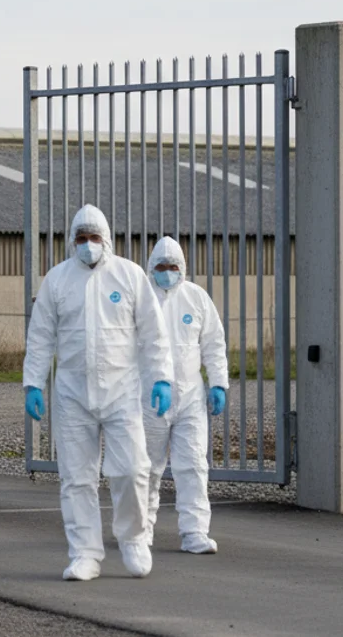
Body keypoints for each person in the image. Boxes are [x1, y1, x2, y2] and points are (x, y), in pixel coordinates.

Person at [23, 204, 175, 581]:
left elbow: (154, 333)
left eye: (94, 238)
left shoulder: (130, 275)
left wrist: (161, 378)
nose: (87, 245)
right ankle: (84, 554)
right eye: (81, 238)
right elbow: (41, 336)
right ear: (72, 240)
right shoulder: (57, 280)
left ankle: (134, 538)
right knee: (76, 477)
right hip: (72, 392)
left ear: (106, 239)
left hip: (122, 390)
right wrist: (33, 383)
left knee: (132, 469)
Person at [140, 236, 228, 555]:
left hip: (190, 399)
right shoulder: (140, 299)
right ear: (151, 268)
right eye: (161, 267)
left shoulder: (196, 298)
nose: (167, 272)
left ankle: (194, 532)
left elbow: (214, 344)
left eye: (173, 267)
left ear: (183, 268)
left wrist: (218, 383)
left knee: (192, 465)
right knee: (146, 466)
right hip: (148, 399)